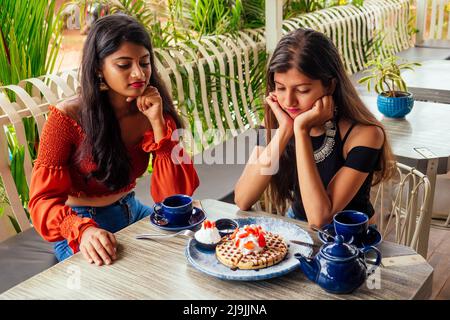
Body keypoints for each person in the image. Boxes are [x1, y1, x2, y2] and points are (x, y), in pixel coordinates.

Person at [29, 14, 199, 266]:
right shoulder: (66, 118)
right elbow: (41, 201)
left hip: (133, 210)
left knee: (189, 256)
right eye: (123, 65)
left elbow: (174, 197)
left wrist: (158, 123)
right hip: (82, 225)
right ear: (99, 68)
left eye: (144, 62)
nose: (138, 73)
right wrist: (82, 230)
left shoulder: (153, 109)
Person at [234, 28, 394, 227]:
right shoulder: (277, 123)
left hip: (350, 242)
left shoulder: (365, 134)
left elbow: (320, 218)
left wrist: (300, 131)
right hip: (298, 230)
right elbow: (243, 198)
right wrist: (284, 130)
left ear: (330, 86)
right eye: (280, 88)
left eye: (302, 90)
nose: (288, 101)